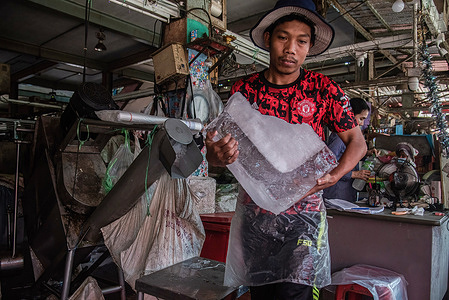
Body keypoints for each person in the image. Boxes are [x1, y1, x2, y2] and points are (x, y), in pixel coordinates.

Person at [205, 0, 367, 299]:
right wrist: (215, 156)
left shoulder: (324, 89)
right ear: (269, 39)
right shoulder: (245, 91)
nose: (290, 48)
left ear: (309, 47)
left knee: (296, 293)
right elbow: (216, 152)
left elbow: (358, 143)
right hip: (255, 218)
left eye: (301, 41)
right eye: (283, 38)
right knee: (260, 292)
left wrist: (335, 175)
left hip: (303, 218)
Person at [323, 98, 372, 202]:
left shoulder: (349, 137)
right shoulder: (340, 137)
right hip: (336, 193)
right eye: (361, 118)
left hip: (344, 191)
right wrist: (354, 174)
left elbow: (345, 153)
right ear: (351, 116)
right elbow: (329, 163)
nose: (362, 123)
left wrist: (367, 153)